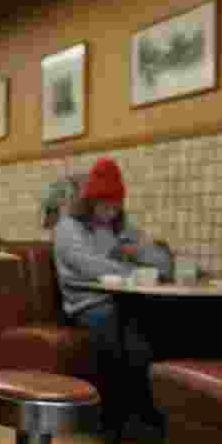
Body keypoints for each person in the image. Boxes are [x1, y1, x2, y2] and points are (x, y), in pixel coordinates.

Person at [53, 158, 173, 429]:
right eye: (104, 204)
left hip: (124, 302)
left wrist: (140, 252)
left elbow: (164, 263)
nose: (110, 210)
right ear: (89, 202)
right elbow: (87, 264)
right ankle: (117, 415)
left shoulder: (123, 229)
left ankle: (151, 411)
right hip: (84, 305)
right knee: (121, 327)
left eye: (116, 204)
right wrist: (130, 268)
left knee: (161, 320)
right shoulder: (68, 228)